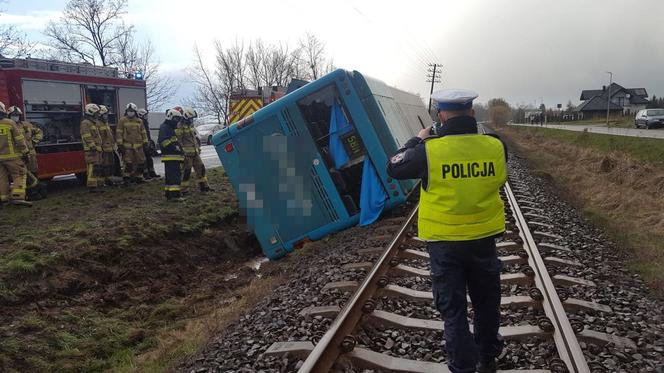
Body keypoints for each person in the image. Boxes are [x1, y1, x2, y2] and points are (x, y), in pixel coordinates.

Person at [386, 88, 507, 373]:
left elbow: (393, 167)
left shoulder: (428, 151)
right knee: (487, 303)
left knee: (454, 312)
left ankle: (462, 367)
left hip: (445, 245)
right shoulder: (495, 145)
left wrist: (418, 139)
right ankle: (487, 358)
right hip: (483, 241)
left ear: (440, 116)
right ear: (473, 113)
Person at [0, 102, 31, 207]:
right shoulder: (9, 123)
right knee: (20, 174)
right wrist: (26, 152)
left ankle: (4, 199)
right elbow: (19, 140)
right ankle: (17, 197)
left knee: (2, 178)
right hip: (12, 157)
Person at [176, 107, 213, 194]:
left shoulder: (191, 125)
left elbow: (194, 138)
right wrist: (182, 152)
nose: (192, 120)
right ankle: (184, 190)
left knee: (201, 169)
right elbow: (178, 141)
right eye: (190, 118)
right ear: (186, 117)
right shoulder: (180, 126)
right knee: (186, 172)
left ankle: (204, 187)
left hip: (195, 153)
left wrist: (198, 148)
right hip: (187, 155)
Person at [158, 108, 185, 201]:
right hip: (171, 157)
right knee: (175, 177)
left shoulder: (168, 127)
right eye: (176, 119)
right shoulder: (165, 127)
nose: (177, 121)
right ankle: (175, 196)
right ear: (170, 117)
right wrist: (175, 148)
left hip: (172, 157)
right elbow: (163, 141)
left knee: (170, 177)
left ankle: (169, 194)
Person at [116, 102, 148, 184]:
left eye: (132, 110)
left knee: (140, 163)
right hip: (127, 147)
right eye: (129, 110)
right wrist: (120, 144)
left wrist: (145, 143)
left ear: (135, 111)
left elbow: (143, 133)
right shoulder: (122, 120)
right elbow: (119, 133)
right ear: (126, 111)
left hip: (139, 146)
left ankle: (139, 177)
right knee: (128, 163)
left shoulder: (139, 121)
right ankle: (127, 178)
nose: (130, 112)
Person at [80, 103, 105, 193]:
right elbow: (87, 136)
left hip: (97, 149)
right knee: (93, 168)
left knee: (97, 167)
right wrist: (92, 146)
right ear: (91, 112)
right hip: (91, 150)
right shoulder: (85, 123)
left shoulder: (93, 123)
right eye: (96, 113)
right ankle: (92, 187)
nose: (97, 115)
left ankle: (97, 185)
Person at [97, 105, 117, 186]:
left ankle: (109, 180)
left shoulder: (106, 124)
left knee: (111, 165)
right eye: (105, 114)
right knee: (104, 165)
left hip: (110, 148)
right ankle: (103, 182)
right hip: (103, 149)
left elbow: (110, 136)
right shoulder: (98, 124)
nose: (106, 116)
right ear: (100, 115)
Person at [137, 108, 160, 180]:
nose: (146, 117)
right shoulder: (139, 123)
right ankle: (145, 174)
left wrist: (149, 141)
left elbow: (147, 133)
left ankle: (152, 172)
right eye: (145, 115)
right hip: (141, 143)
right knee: (144, 160)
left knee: (149, 158)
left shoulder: (145, 122)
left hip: (147, 142)